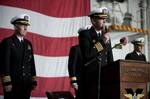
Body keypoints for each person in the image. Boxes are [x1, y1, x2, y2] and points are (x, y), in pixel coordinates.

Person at [78, 7, 113, 99]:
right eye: (101, 18)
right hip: (91, 77)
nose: (104, 21)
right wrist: (102, 42)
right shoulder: (85, 34)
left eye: (105, 18)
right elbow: (88, 53)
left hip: (104, 77)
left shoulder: (106, 35)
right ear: (93, 20)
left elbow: (110, 58)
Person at [0, 14, 37, 99]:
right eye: (23, 25)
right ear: (15, 27)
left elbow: (31, 63)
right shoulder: (7, 42)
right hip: (13, 85)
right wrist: (6, 83)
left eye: (26, 26)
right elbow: (4, 64)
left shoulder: (28, 44)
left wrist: (33, 80)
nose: (25, 28)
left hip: (26, 84)